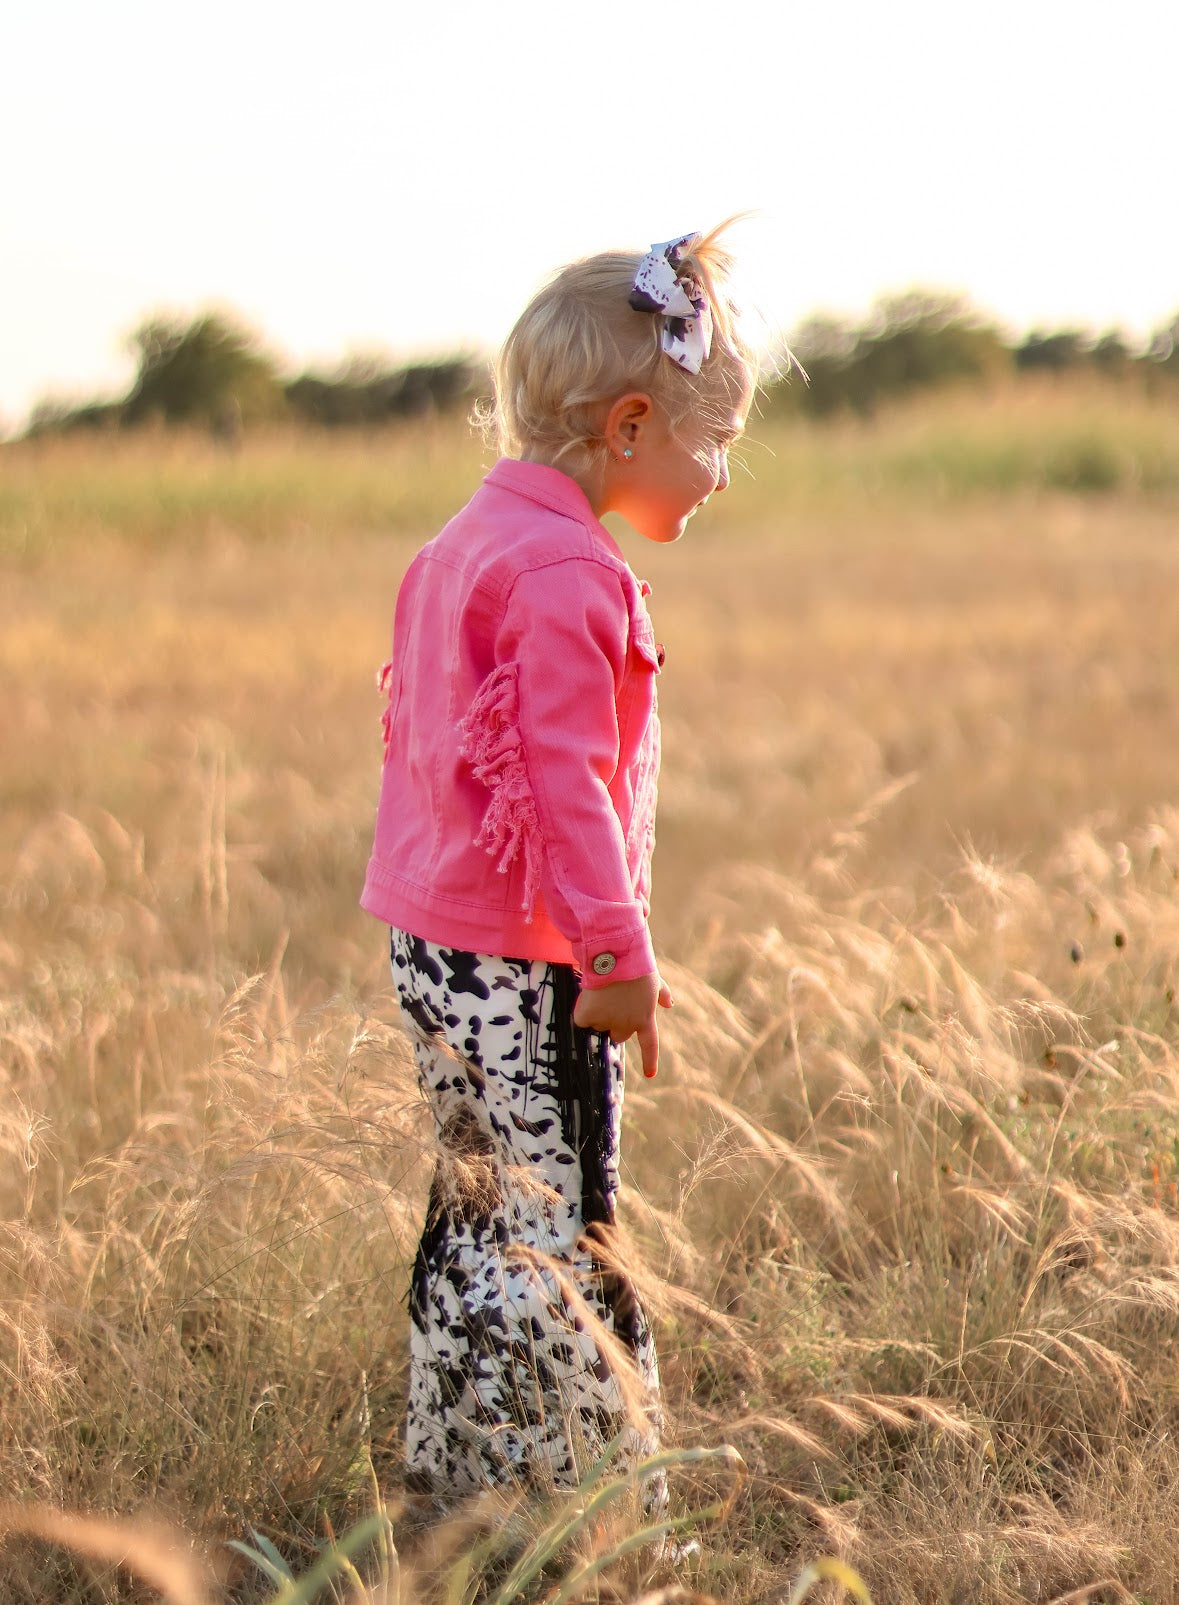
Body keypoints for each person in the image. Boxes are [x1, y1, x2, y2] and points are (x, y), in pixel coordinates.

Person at [361, 225, 757, 1508]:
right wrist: (616, 956)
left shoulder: (461, 543)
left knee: (472, 1208)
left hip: (433, 945)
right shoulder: (569, 573)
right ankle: (595, 1507)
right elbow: (566, 785)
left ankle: (455, 1465)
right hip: (535, 957)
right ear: (632, 426)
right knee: (567, 1225)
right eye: (718, 441)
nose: (721, 475)